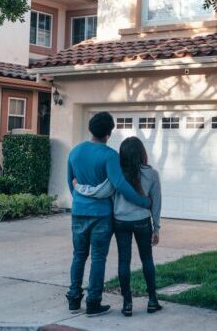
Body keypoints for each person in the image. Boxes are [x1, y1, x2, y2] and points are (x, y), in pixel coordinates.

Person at [66, 112, 151, 317]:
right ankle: (93, 302)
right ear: (109, 132)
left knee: (78, 256)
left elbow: (71, 182)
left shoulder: (75, 151)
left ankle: (74, 299)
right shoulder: (109, 155)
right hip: (101, 215)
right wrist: (143, 201)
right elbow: (120, 185)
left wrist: (81, 202)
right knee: (97, 258)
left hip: (79, 212)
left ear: (91, 129)